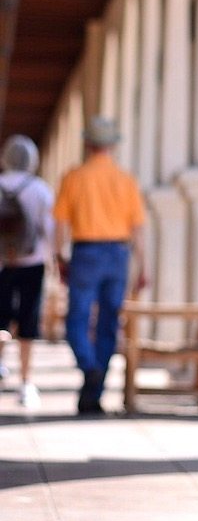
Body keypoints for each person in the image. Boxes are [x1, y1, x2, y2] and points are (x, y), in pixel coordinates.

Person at [54, 116, 147, 416]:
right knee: (108, 323)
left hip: (86, 253)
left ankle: (89, 369)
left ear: (87, 143)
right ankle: (94, 389)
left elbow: (60, 223)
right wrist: (143, 266)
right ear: (113, 145)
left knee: (77, 320)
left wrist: (59, 256)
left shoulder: (74, 177)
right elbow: (138, 230)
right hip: (118, 254)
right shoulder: (126, 180)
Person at [0, 135, 55, 409]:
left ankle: (0, 365)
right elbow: (49, 231)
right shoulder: (40, 189)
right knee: (28, 321)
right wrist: (55, 261)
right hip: (33, 263)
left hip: (1, 264)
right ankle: (25, 381)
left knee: (0, 319)